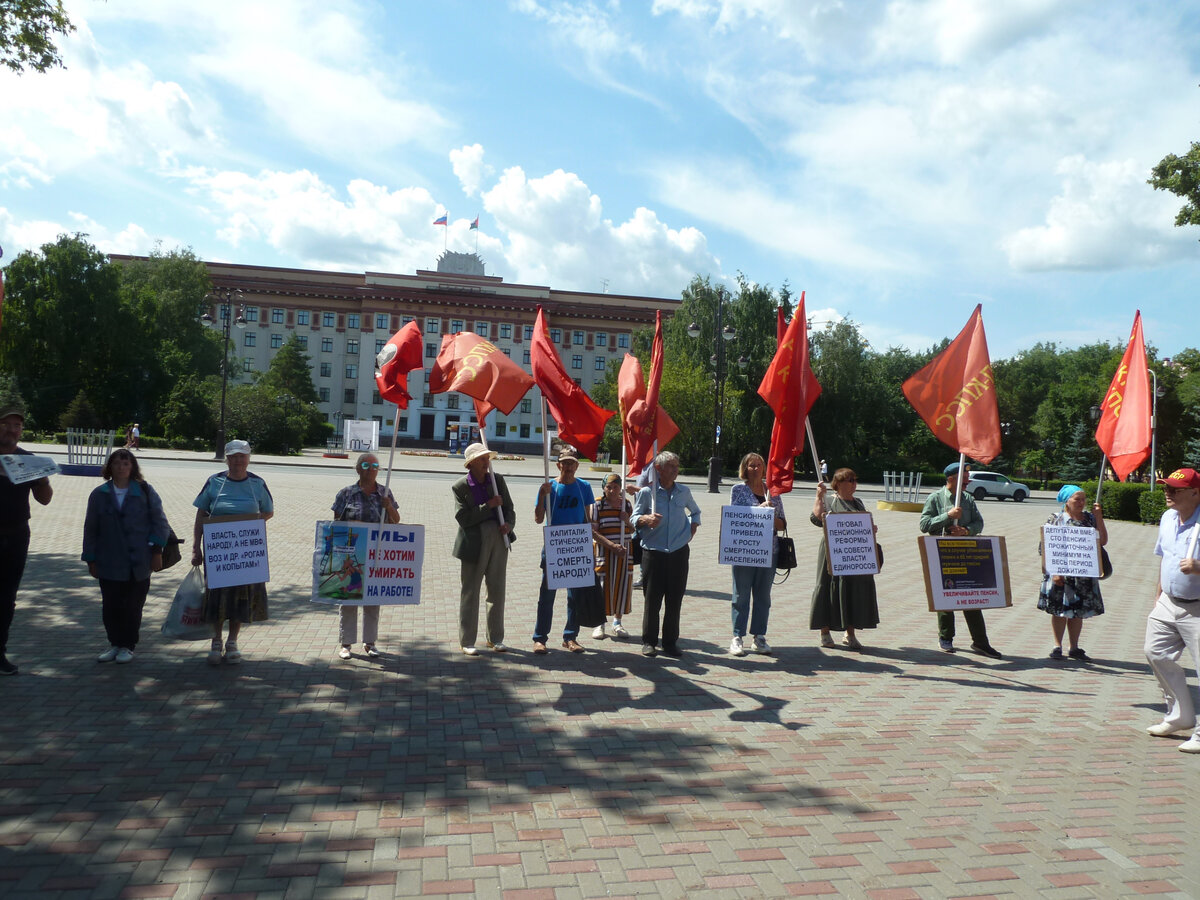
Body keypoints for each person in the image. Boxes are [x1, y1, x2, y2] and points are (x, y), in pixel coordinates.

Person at [81, 448, 170, 664]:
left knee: (132, 607)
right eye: (117, 464)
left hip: (138, 563)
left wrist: (157, 551)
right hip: (109, 562)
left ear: (133, 468)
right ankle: (114, 643)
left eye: (126, 464)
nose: (121, 468)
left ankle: (128, 646)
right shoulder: (99, 494)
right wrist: (91, 559)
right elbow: (90, 529)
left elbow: (160, 523)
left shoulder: (144, 491)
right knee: (110, 606)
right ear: (110, 467)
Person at [191, 440, 274, 665]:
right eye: (233, 456)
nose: (238, 461)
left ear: (248, 458)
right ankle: (216, 641)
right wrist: (196, 546)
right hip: (218, 551)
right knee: (216, 594)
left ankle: (233, 641)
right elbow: (201, 514)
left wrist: (248, 527)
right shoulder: (214, 482)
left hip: (245, 552)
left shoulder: (257, 483)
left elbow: (268, 511)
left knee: (240, 595)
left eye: (242, 456)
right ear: (227, 458)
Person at [1143, 467, 1200, 753]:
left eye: (1174, 490)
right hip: (1168, 601)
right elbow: (1164, 559)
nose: (1167, 493)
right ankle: (1179, 715)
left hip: (1198, 609)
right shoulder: (1167, 518)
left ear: (1194, 492)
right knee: (1155, 653)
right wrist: (1158, 596)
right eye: (1166, 488)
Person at [920, 461, 1001, 658]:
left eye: (967, 477)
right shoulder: (936, 498)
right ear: (951, 479)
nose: (967, 481)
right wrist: (947, 516)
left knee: (970, 597)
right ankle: (946, 637)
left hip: (966, 554)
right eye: (963, 478)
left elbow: (978, 522)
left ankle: (980, 642)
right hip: (943, 554)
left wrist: (965, 530)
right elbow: (924, 524)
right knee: (946, 598)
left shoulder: (968, 499)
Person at [0, 402, 53, 675]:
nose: (11, 429)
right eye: (6, 424)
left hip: (16, 536)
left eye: (17, 425)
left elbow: (44, 500)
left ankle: (0, 651)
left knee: (7, 597)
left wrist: (42, 479)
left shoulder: (27, 459)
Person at [331, 453, 399, 660]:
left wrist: (388, 507)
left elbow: (395, 521)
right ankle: (346, 644)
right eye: (366, 465)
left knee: (372, 600)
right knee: (349, 599)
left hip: (377, 554)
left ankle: (370, 643)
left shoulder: (384, 493)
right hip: (352, 555)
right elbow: (336, 524)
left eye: (375, 465)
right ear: (358, 468)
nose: (371, 469)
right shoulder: (346, 494)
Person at [633, 451, 701, 657]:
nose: (675, 470)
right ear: (659, 469)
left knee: (674, 600)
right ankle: (649, 641)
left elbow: (695, 512)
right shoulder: (647, 493)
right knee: (652, 600)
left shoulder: (684, 491)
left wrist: (693, 527)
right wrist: (645, 519)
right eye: (671, 466)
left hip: (679, 552)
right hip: (654, 553)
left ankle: (670, 642)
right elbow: (633, 518)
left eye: (676, 466)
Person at [452, 443, 515, 656]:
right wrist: (488, 505)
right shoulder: (461, 486)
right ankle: (467, 641)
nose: (486, 462)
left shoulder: (497, 481)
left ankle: (495, 638)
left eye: (487, 458)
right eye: (481, 459)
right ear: (470, 464)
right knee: (470, 592)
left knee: (497, 590)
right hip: (473, 542)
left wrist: (509, 524)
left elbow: (509, 509)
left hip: (498, 537)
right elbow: (463, 519)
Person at [533, 448, 595, 654]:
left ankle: (570, 637)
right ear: (558, 464)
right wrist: (542, 496)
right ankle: (540, 638)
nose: (568, 467)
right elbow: (538, 518)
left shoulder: (584, 487)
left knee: (575, 596)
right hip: (554, 547)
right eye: (564, 463)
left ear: (577, 465)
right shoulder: (549, 487)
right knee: (547, 596)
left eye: (572, 463)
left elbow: (588, 520)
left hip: (576, 548)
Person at [809, 467, 879, 651]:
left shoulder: (858, 502)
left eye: (855, 480)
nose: (854, 484)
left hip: (855, 555)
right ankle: (825, 632)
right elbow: (816, 518)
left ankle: (850, 633)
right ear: (838, 483)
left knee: (853, 590)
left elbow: (864, 524)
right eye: (849, 480)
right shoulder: (830, 500)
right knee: (828, 587)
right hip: (832, 553)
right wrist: (818, 497)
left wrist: (871, 529)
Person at [1039, 485, 1107, 661]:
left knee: (1078, 612)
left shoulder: (1090, 519)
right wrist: (1054, 571)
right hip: (1060, 573)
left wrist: (1099, 518)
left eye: (1083, 499)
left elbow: (1103, 541)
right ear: (1066, 501)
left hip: (1083, 573)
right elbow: (1046, 547)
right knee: (1060, 611)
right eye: (1077, 499)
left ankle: (1074, 647)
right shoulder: (1057, 518)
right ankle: (1057, 646)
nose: (1081, 502)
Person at [729, 453, 785, 656]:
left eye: (759, 465)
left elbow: (782, 524)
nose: (755, 468)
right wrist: (759, 510)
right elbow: (734, 517)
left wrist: (772, 515)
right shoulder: (738, 490)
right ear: (744, 468)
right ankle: (737, 636)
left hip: (769, 550)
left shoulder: (773, 492)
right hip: (744, 550)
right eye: (751, 465)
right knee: (741, 594)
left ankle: (759, 636)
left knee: (763, 596)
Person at [592, 473, 633, 641]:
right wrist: (610, 545)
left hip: (624, 551)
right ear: (604, 488)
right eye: (608, 487)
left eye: (615, 487)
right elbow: (593, 531)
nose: (612, 490)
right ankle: (599, 623)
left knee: (622, 585)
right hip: (604, 551)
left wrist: (627, 520)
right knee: (602, 586)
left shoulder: (626, 505)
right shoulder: (597, 504)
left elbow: (633, 529)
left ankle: (617, 622)